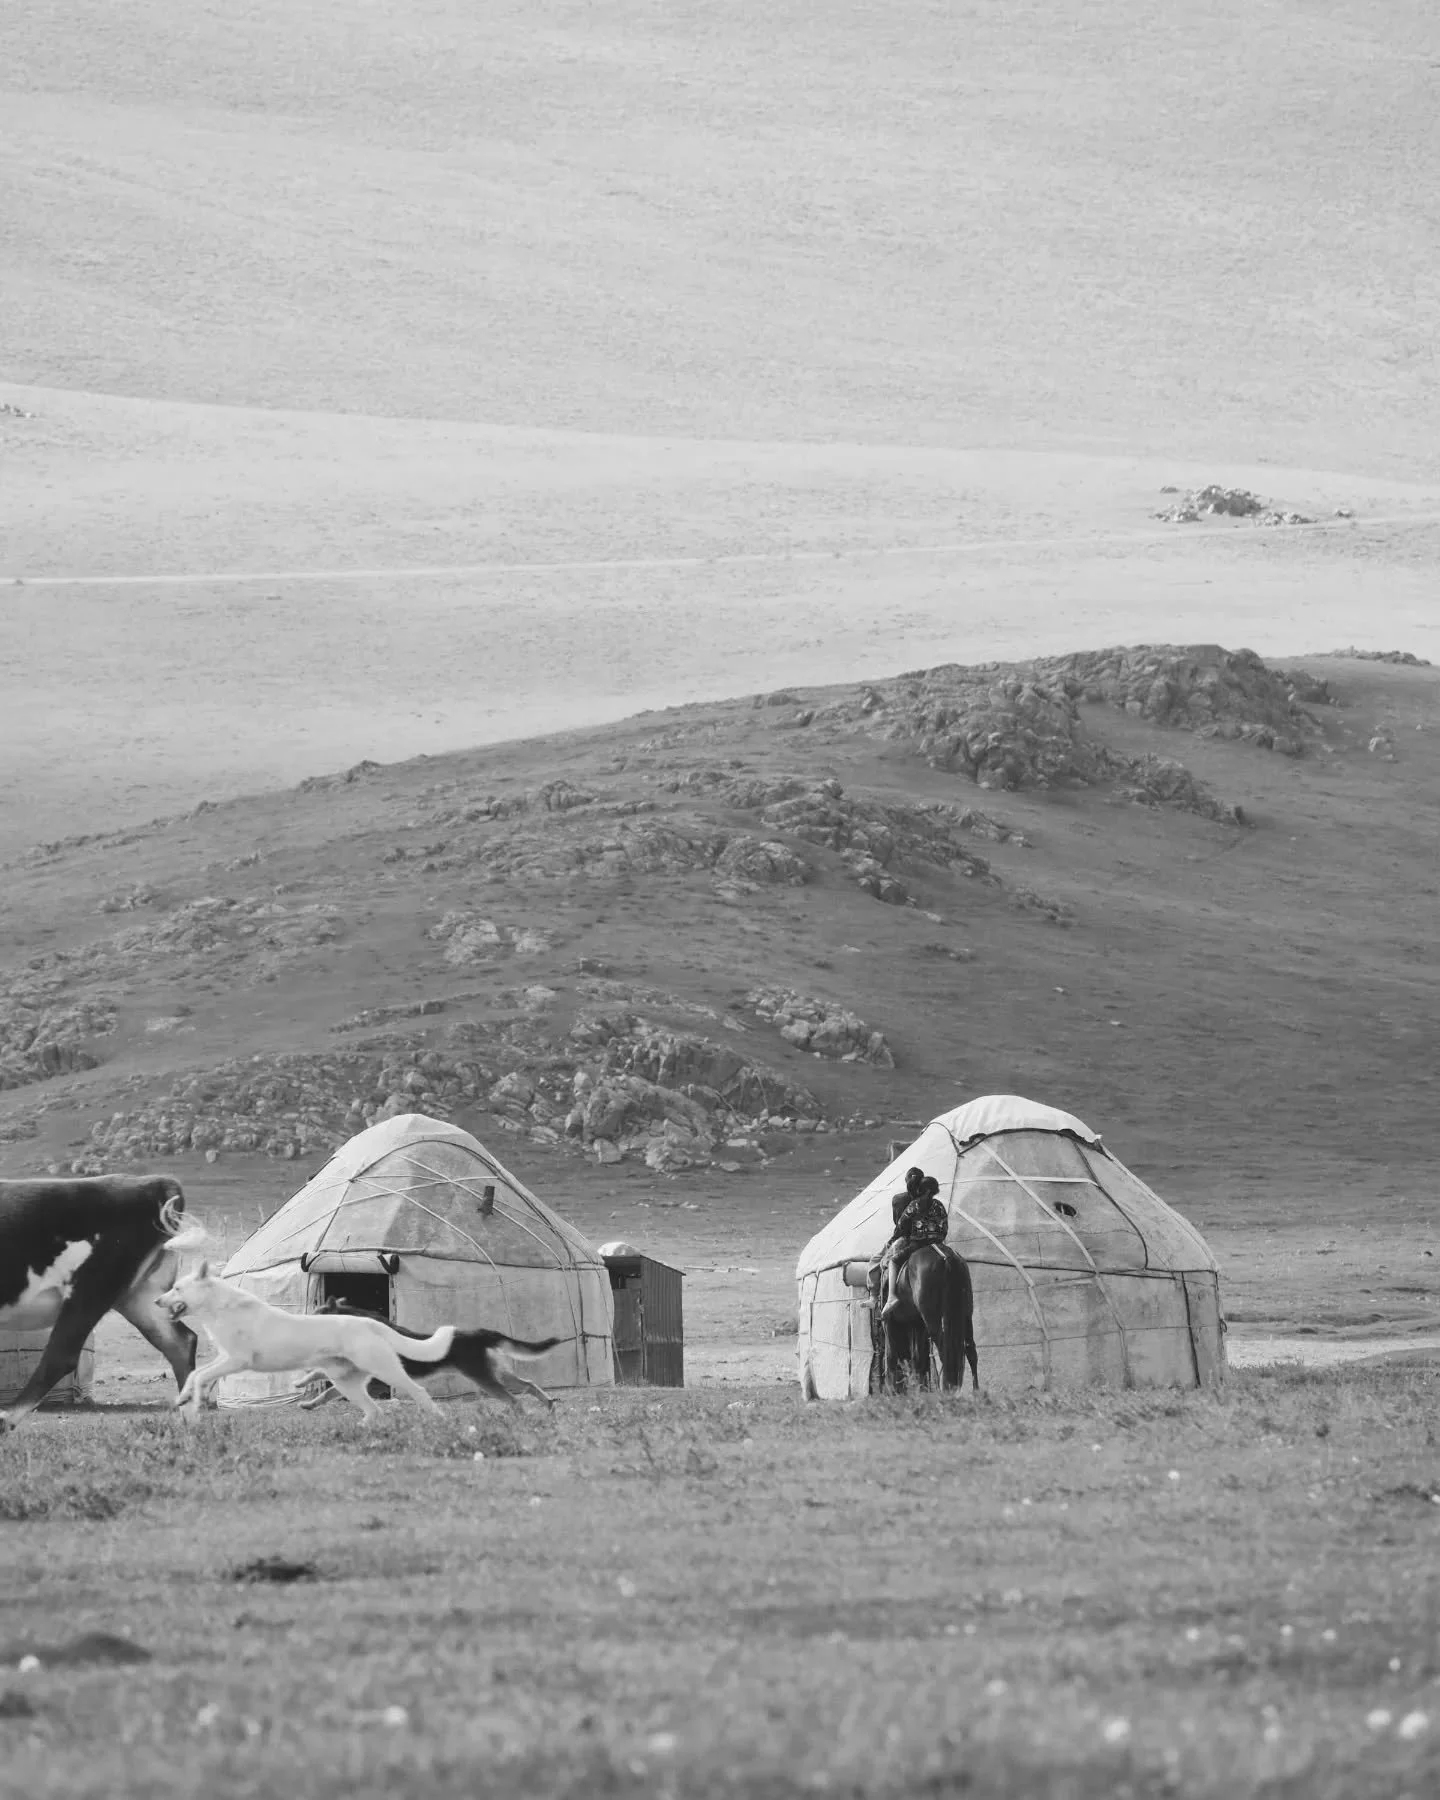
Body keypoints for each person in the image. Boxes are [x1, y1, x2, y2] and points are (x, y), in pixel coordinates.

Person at [878, 1173, 949, 1320]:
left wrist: (896, 1239)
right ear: (933, 1191)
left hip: (918, 1244)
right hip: (938, 1245)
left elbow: (901, 1226)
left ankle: (891, 1297)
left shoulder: (914, 1205)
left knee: (894, 1261)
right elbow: (945, 1228)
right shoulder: (939, 1205)